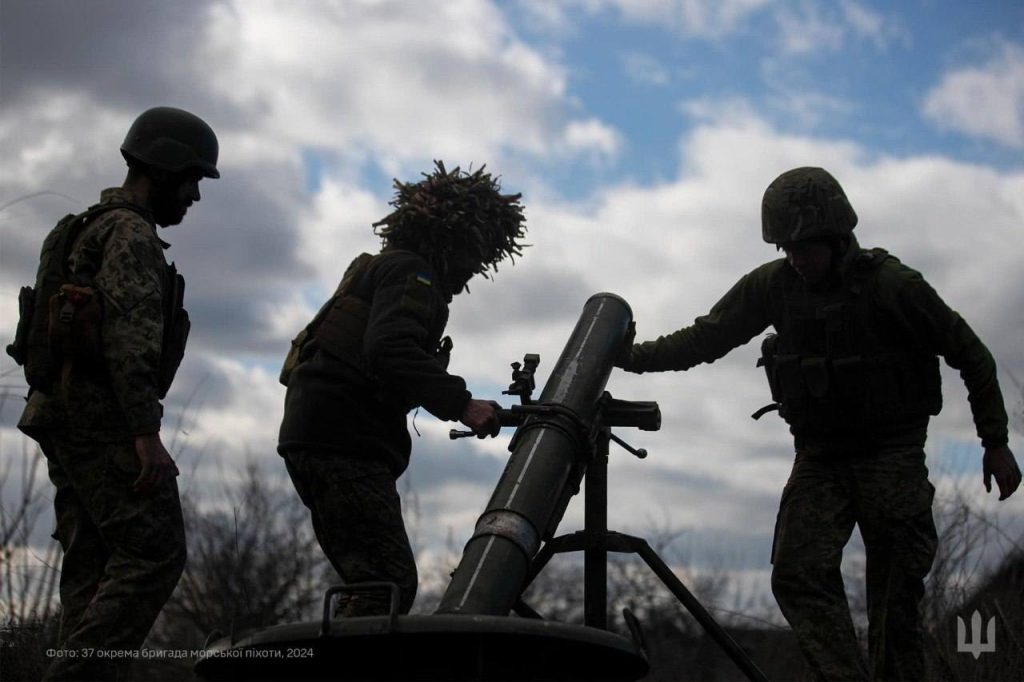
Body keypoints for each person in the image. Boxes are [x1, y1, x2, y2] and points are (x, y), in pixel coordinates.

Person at [617, 167, 1021, 680]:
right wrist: (629, 357)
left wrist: (995, 442)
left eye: (804, 247)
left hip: (890, 455)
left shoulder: (894, 287)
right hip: (820, 458)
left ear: (835, 237)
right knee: (797, 573)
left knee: (895, 602)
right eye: (786, 249)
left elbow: (973, 354)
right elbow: (706, 338)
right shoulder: (775, 285)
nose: (796, 259)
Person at [14, 106, 219, 680]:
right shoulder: (131, 236)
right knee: (156, 552)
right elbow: (131, 339)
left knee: (93, 571)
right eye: (194, 180)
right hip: (103, 422)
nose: (195, 197)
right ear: (168, 168)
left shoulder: (84, 226)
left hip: (60, 418)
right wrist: (145, 434)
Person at [278, 161, 527, 617]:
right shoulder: (415, 273)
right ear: (449, 240)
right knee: (387, 584)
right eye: (476, 251)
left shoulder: (383, 269)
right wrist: (463, 404)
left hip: (316, 436)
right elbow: (389, 348)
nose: (476, 268)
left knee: (369, 582)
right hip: (343, 441)